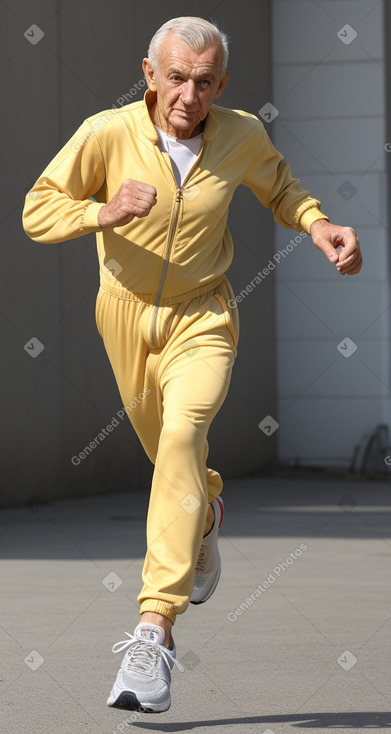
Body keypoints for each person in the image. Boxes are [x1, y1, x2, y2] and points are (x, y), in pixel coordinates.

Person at [22, 15, 362, 714]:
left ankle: (155, 631)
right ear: (149, 74)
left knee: (180, 438)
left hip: (202, 316)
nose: (189, 94)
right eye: (176, 77)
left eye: (204, 82)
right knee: (170, 460)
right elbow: (37, 208)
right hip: (121, 317)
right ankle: (203, 516)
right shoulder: (105, 132)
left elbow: (281, 189)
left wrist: (319, 224)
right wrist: (103, 212)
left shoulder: (239, 134)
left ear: (221, 84)